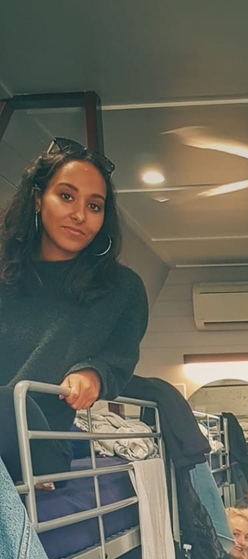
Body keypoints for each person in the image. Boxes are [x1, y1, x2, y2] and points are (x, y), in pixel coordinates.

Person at [0, 137, 148, 483]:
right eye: (66, 196)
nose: (80, 215)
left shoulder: (121, 289)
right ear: (38, 200)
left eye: (94, 206)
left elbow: (119, 360)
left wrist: (93, 375)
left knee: (5, 403)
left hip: (40, 443)